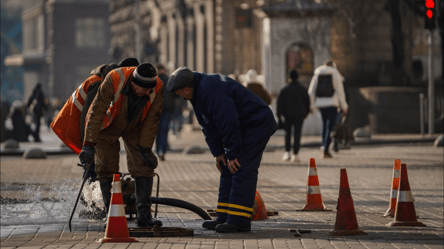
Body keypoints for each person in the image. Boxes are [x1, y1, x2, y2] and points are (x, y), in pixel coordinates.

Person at [166, 67, 278, 233]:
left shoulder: (210, 90)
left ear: (186, 89)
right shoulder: (197, 93)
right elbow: (208, 126)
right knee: (227, 168)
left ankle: (239, 221)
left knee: (240, 167)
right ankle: (225, 217)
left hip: (257, 124)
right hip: (243, 126)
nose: (178, 96)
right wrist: (219, 153)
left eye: (178, 93)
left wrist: (232, 153)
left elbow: (227, 120)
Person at [308, 60, 348, 158]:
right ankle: (325, 148)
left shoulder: (317, 74)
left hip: (320, 104)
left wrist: (311, 106)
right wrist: (344, 107)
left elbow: (311, 91)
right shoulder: (335, 74)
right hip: (332, 104)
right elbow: (340, 92)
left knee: (324, 125)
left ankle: (323, 145)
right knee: (330, 126)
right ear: (332, 66)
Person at [277, 69, 310, 162]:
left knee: (287, 133)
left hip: (287, 115)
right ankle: (296, 154)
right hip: (300, 115)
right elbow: (307, 102)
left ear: (289, 77)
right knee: (297, 133)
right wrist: (306, 113)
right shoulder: (303, 89)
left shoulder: (284, 89)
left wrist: (279, 115)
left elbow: (280, 104)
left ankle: (287, 152)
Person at [155, 64, 176, 160]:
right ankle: (162, 151)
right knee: (164, 131)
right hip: (167, 110)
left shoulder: (154, 81)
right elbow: (176, 95)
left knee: (157, 132)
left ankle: (158, 151)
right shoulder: (169, 80)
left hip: (156, 110)